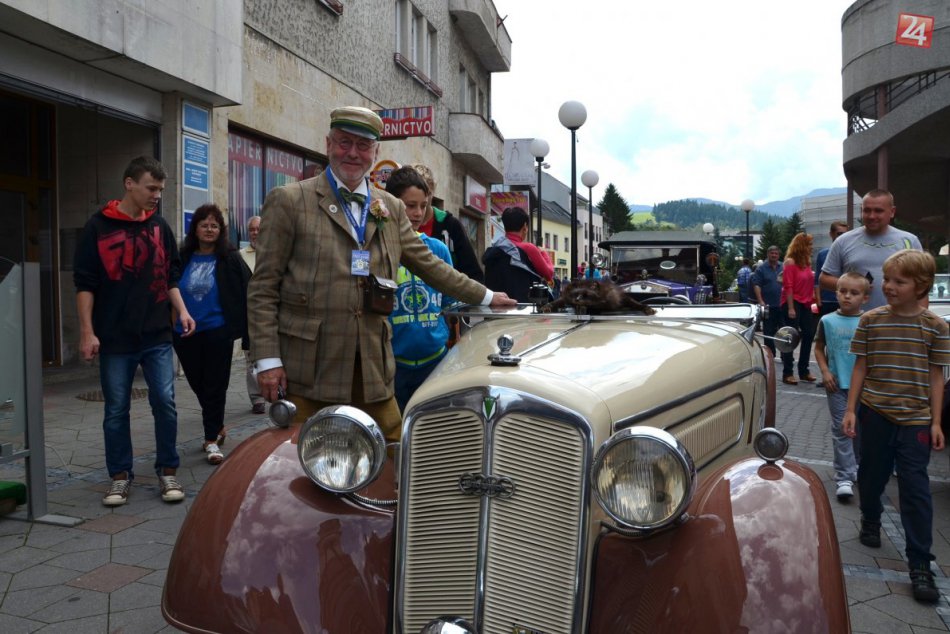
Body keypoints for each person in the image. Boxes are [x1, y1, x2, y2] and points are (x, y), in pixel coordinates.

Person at [247, 106, 515, 441]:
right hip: (310, 368)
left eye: (363, 146)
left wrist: (488, 297)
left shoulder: (390, 206)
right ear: (328, 143)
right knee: (308, 462)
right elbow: (263, 288)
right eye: (344, 143)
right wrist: (268, 360)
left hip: (373, 368)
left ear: (376, 152)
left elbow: (431, 266)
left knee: (392, 453)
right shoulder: (289, 201)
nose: (353, 153)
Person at [73, 156, 195, 506]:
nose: (157, 195)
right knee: (115, 410)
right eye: (151, 188)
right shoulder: (97, 227)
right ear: (129, 184)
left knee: (165, 404)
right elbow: (85, 284)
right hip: (114, 338)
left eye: (160, 189)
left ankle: (168, 472)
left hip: (156, 334)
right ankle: (119, 477)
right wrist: (87, 332)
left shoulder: (160, 227)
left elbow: (170, 278)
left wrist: (183, 312)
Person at [843, 250, 949, 603]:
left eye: (898, 281)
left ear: (921, 286)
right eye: (887, 279)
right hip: (876, 413)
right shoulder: (871, 320)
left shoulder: (936, 327)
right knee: (871, 475)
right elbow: (860, 367)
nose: (888, 286)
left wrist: (936, 421)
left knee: (916, 489)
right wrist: (852, 410)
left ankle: (921, 562)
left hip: (916, 420)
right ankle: (870, 516)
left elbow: (937, 375)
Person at [173, 204, 250, 465]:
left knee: (215, 385)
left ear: (221, 230)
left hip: (218, 330)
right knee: (198, 384)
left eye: (214, 225)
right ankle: (216, 424)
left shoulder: (230, 257)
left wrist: (245, 327)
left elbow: (249, 288)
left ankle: (210, 440)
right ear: (195, 228)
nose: (209, 229)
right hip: (184, 333)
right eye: (204, 225)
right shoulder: (182, 257)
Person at [383, 167, 454, 411]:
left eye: (423, 206)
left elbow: (449, 304)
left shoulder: (438, 250)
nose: (417, 213)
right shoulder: (379, 250)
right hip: (393, 366)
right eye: (410, 205)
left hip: (435, 361)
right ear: (391, 204)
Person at [813, 272, 870, 502]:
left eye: (854, 293)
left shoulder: (869, 321)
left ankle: (854, 465)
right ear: (836, 292)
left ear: (865, 298)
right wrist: (826, 371)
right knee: (841, 430)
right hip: (837, 385)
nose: (847, 296)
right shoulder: (827, 320)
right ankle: (844, 476)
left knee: (859, 430)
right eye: (842, 291)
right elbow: (819, 348)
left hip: (865, 387)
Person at [820, 189, 922, 309]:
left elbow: (922, 286)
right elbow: (824, 279)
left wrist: (922, 321)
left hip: (899, 321)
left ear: (892, 211)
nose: (872, 216)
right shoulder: (843, 241)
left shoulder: (909, 241)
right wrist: (855, 285)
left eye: (878, 211)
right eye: (867, 210)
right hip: (856, 321)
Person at [410, 163, 484, 282]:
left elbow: (472, 272)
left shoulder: (450, 225)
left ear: (433, 192)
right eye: (411, 204)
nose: (424, 198)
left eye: (427, 193)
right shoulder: (394, 225)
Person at [482, 206, 555, 302]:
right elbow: (549, 274)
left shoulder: (494, 249)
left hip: (496, 305)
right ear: (525, 227)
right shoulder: (528, 248)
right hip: (520, 307)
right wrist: (543, 253)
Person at [779, 233, 817, 385]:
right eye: (809, 244)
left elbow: (809, 284)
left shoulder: (806, 263)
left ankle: (804, 370)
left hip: (805, 302)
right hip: (791, 302)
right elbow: (788, 286)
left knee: (808, 334)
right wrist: (790, 308)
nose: (811, 247)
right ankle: (787, 373)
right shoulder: (790, 262)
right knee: (791, 338)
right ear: (802, 246)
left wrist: (811, 301)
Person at [239, 215, 266, 414]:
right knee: (251, 357)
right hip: (249, 313)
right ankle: (257, 398)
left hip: (272, 313)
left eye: (258, 229)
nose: (255, 233)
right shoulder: (240, 256)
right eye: (252, 230)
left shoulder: (275, 253)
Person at [752, 245, 783, 357]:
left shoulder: (783, 267)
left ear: (778, 255)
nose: (774, 255)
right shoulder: (761, 269)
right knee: (768, 332)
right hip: (768, 306)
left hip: (782, 305)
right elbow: (757, 285)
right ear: (768, 254)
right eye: (772, 253)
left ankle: (785, 355)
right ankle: (770, 355)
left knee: (784, 331)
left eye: (776, 253)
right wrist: (760, 301)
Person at [814, 220, 848, 317]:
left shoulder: (851, 254)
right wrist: (818, 300)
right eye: (839, 234)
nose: (842, 237)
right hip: (827, 301)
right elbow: (817, 280)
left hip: (845, 300)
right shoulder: (823, 254)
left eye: (845, 234)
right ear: (831, 234)